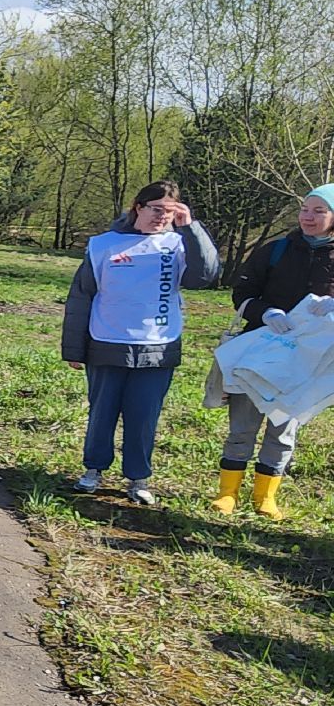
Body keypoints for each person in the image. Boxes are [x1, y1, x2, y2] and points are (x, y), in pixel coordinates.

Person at [61, 179, 219, 505]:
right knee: (102, 413)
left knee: (144, 416)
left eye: (169, 211)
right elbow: (80, 298)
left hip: (158, 347)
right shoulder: (103, 245)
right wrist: (74, 349)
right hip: (106, 342)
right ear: (138, 207)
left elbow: (204, 276)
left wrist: (191, 228)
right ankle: (93, 470)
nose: (161, 216)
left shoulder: (178, 244)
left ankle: (138, 477)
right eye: (155, 209)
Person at [211, 184, 334, 520]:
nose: (308, 217)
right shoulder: (276, 250)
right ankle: (227, 494)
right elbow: (243, 294)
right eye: (305, 209)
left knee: (283, 429)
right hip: (259, 354)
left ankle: (266, 497)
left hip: (307, 363)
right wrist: (266, 312)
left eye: (318, 211)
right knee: (242, 426)